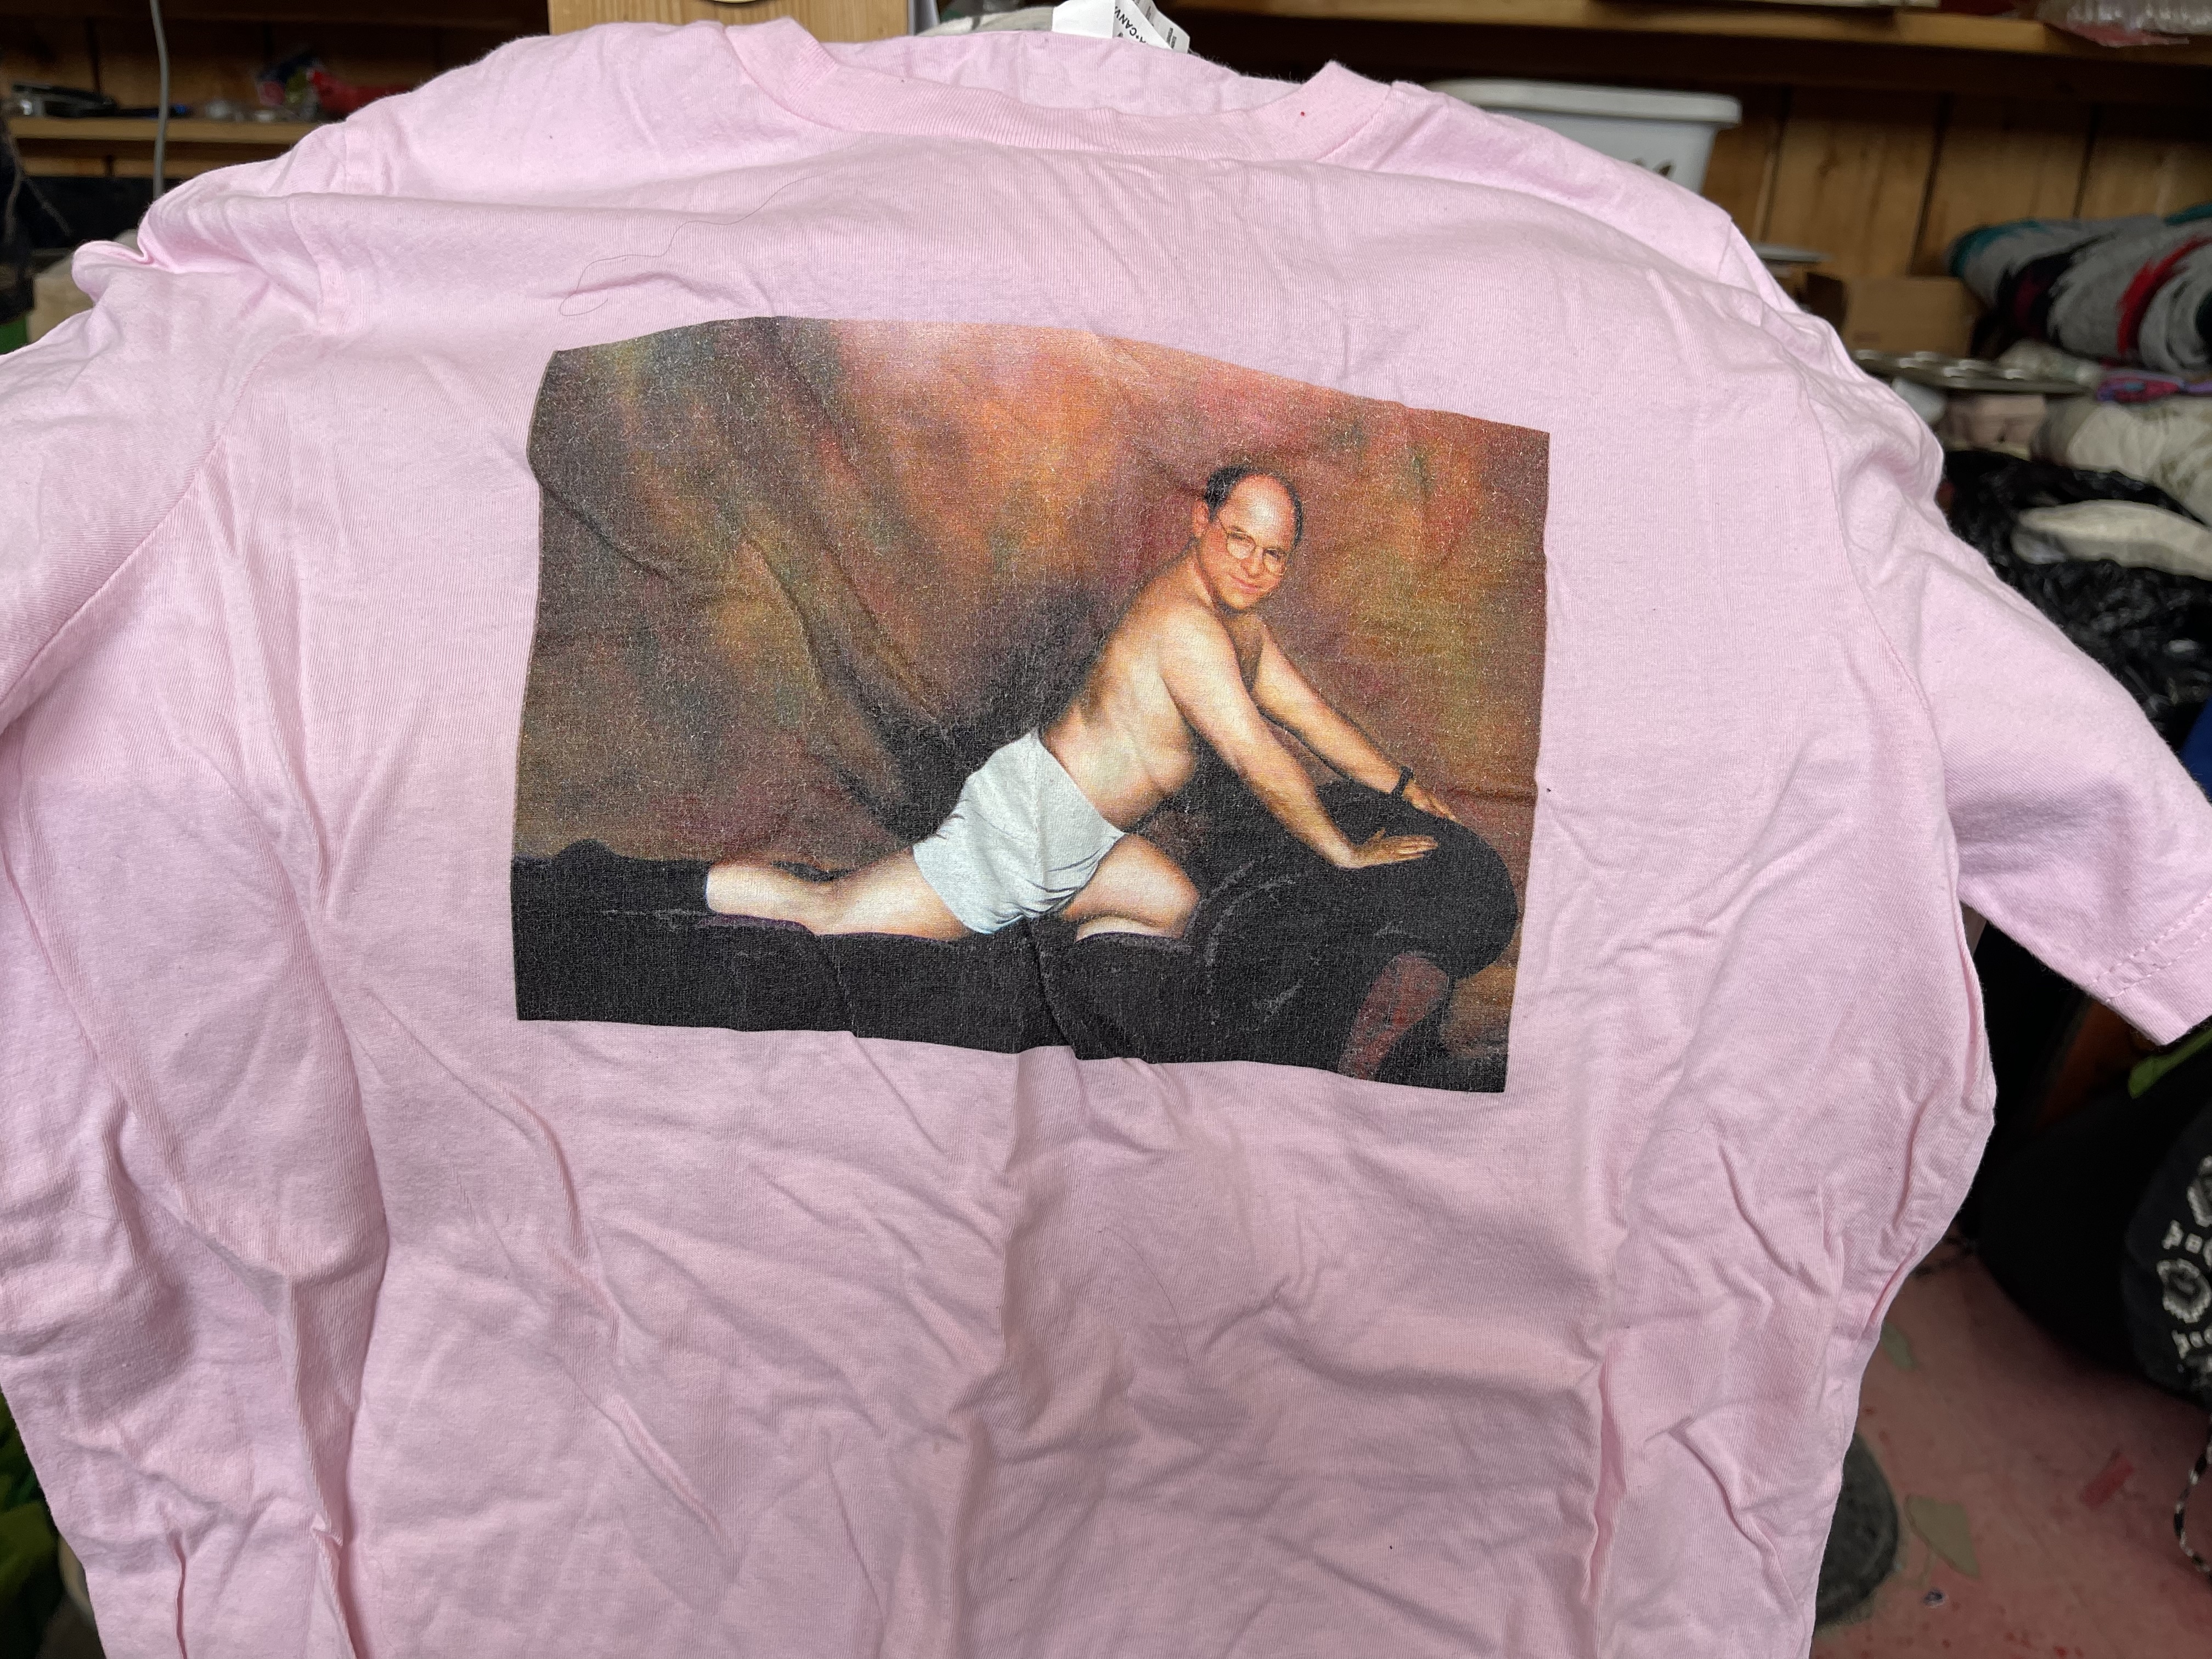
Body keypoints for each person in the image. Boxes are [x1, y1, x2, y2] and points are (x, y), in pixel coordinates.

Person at [705, 465, 1458, 941]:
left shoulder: (1242, 628)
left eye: (1273, 555)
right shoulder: (1187, 628)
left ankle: (1046, 975)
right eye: (1238, 539)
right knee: (831, 915)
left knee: (1176, 914)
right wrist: (1344, 854)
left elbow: (1314, 720)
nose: (1252, 566)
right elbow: (1257, 756)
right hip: (1029, 827)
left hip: (1088, 841)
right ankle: (670, 886)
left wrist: (1404, 787)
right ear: (1201, 521)